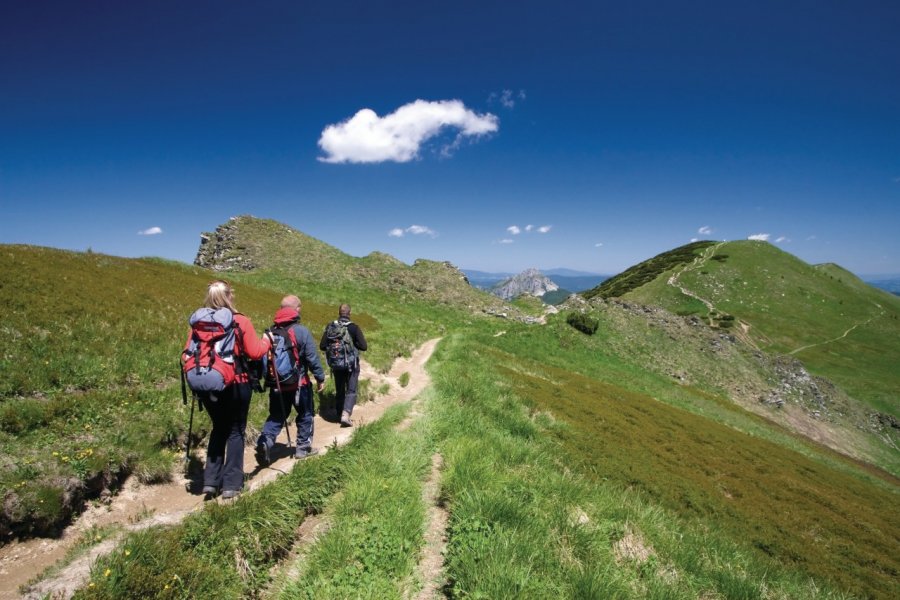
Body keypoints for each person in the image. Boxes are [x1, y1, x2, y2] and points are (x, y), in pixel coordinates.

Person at [184, 280, 270, 500]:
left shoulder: (198, 322)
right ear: (229, 296)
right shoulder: (239, 320)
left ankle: (211, 482)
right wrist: (267, 341)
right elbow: (255, 352)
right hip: (236, 383)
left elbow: (188, 352)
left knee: (218, 428)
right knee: (235, 430)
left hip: (206, 383)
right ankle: (232, 484)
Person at [255, 295, 326, 464]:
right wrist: (320, 378)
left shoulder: (270, 332)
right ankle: (303, 448)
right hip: (299, 384)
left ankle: (265, 441)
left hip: (277, 384)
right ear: (297, 309)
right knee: (305, 414)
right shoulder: (301, 331)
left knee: (277, 415)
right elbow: (312, 358)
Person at [320, 303, 367, 427]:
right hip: (351, 364)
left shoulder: (331, 326)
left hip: (336, 363)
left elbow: (322, 345)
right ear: (349, 313)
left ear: (339, 312)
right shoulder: (353, 328)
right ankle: (346, 415)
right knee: (351, 389)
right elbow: (364, 346)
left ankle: (338, 413)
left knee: (339, 389)